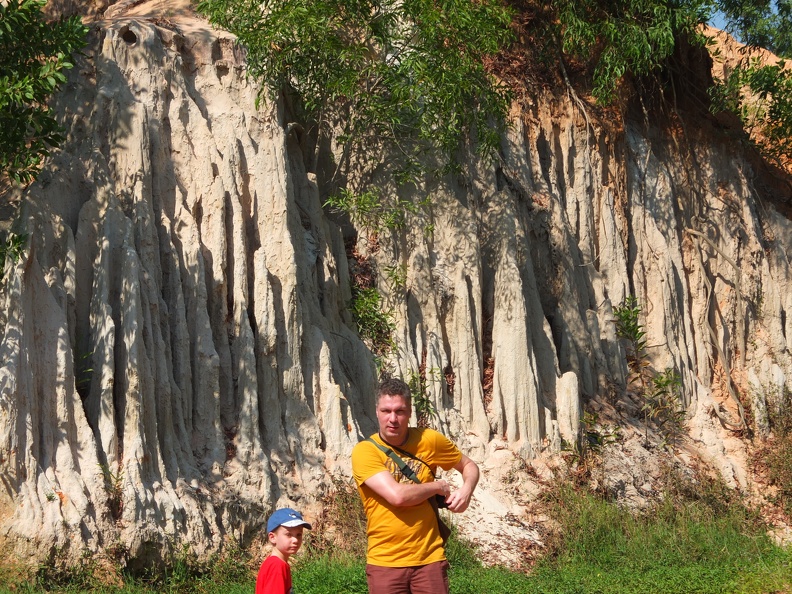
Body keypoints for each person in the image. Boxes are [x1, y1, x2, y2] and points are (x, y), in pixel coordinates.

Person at [351, 377, 480, 594]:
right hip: (385, 562)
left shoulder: (429, 440)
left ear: (410, 412)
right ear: (377, 412)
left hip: (429, 559)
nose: (393, 419)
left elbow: (469, 465)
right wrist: (437, 487)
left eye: (400, 411)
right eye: (386, 411)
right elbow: (397, 496)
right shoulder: (365, 451)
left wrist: (466, 491)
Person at [255, 507, 312, 594]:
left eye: (298, 534)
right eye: (288, 534)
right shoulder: (277, 566)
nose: (295, 540)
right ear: (273, 537)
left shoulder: (277, 563)